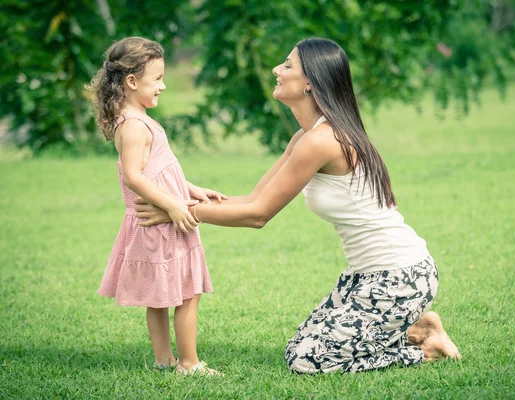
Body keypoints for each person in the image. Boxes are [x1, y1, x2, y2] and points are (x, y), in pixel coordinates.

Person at [134, 37, 461, 374]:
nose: (277, 69)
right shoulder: (306, 137)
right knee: (297, 347)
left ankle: (426, 350)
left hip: (399, 276)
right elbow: (252, 198)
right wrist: (179, 203)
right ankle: (419, 328)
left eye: (287, 65)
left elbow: (258, 215)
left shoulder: (322, 140)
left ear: (310, 83)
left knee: (308, 361)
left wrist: (182, 213)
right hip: (366, 276)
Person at [86, 36, 226, 376]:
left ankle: (165, 361)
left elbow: (159, 170)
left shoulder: (138, 119)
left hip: (159, 221)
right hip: (161, 223)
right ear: (132, 82)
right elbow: (134, 177)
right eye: (157, 79)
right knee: (187, 294)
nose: (163, 86)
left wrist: (192, 190)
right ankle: (189, 364)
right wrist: (175, 206)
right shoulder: (133, 126)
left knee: (159, 298)